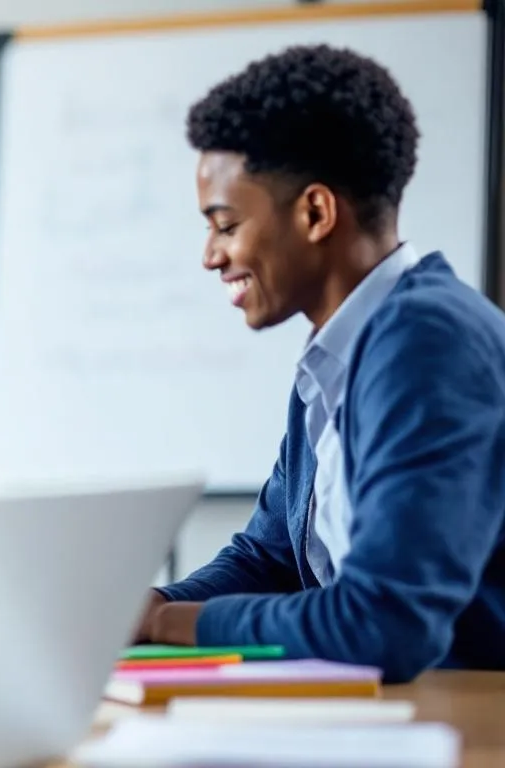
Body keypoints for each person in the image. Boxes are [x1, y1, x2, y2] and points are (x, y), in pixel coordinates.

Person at [135, 44, 505, 683]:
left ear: (315, 212)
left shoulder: (428, 342)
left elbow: (385, 622)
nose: (211, 256)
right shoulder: (338, 357)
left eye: (225, 225)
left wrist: (165, 628)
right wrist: (155, 603)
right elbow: (268, 559)